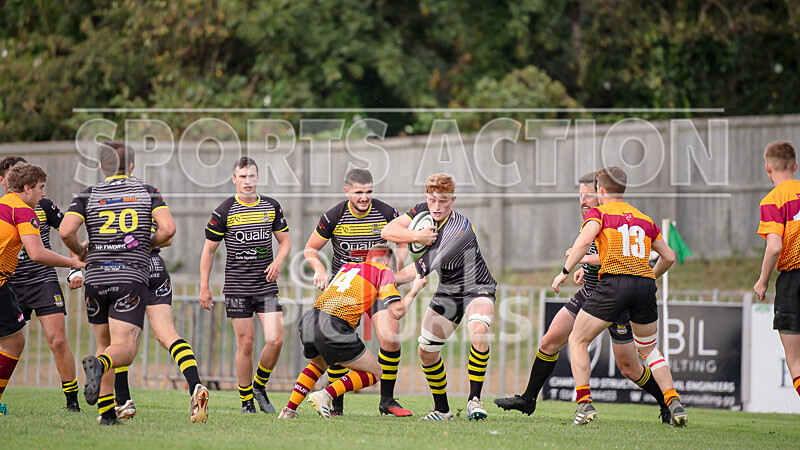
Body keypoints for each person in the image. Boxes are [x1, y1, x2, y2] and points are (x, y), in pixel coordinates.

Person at [495, 172, 671, 423]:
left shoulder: (612, 217)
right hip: (590, 293)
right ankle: (528, 400)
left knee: (629, 367)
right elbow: (596, 251)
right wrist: (584, 267)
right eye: (580, 196)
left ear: (601, 193)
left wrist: (578, 262)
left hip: (614, 296)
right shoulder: (593, 220)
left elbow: (620, 256)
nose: (583, 201)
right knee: (549, 342)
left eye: (588, 195)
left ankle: (665, 400)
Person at [59, 141, 204, 426]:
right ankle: (101, 369)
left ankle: (108, 412)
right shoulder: (146, 192)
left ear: (101, 167)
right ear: (133, 166)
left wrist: (81, 252)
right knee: (124, 347)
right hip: (130, 275)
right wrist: (141, 244)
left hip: (97, 277)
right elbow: (169, 231)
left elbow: (65, 231)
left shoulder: (87, 194)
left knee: (105, 343)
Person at [551, 166, 687, 427]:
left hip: (614, 284)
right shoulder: (643, 218)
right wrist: (649, 277)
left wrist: (564, 272)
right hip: (645, 286)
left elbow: (582, 243)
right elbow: (669, 257)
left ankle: (584, 404)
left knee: (577, 340)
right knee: (648, 350)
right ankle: (673, 401)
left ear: (600, 190)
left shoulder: (599, 213)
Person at [382, 173, 496, 421]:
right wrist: (416, 236)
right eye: (433, 200)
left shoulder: (458, 230)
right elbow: (388, 230)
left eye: (443, 201)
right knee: (426, 351)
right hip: (448, 291)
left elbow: (416, 271)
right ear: (426, 198)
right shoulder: (422, 211)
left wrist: (382, 280)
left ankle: (474, 401)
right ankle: (442, 410)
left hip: (477, 286)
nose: (437, 207)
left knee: (478, 329)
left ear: (453, 200)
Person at [70, 218, 207, 421]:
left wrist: (76, 267)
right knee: (168, 335)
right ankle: (195, 385)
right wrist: (142, 243)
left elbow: (75, 238)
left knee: (116, 341)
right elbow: (167, 238)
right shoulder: (145, 203)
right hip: (155, 267)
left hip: (125, 271)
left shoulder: (106, 204)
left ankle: (119, 401)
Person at [303, 168, 410, 417]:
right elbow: (310, 249)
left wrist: (395, 267)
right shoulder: (334, 216)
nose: (365, 197)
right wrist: (319, 268)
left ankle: (387, 400)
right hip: (346, 289)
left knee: (390, 338)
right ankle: (335, 403)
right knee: (337, 343)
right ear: (347, 191)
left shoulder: (385, 212)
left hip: (377, 284)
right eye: (359, 192)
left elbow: (402, 242)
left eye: (369, 191)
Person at [279, 244, 427, 419]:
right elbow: (397, 311)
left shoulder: (347, 267)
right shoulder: (383, 271)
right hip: (334, 324)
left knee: (318, 365)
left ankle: (288, 410)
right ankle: (325, 395)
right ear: (387, 263)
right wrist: (415, 289)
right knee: (375, 372)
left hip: (310, 319)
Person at [199, 157, 290, 414]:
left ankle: (259, 386)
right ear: (234, 180)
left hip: (265, 285)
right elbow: (208, 252)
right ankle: (246, 400)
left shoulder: (271, 206)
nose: (247, 182)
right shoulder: (223, 210)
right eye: (242, 177)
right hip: (238, 287)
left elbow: (284, 242)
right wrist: (204, 286)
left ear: (258, 178)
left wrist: (279, 262)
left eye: (251, 176)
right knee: (246, 343)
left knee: (275, 339)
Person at [0, 163, 85, 416]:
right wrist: (73, 262)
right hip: (7, 282)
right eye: (40, 187)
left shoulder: (9, 205)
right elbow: (36, 253)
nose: (44, 193)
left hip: (38, 282)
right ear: (27, 188)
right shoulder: (23, 211)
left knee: (51, 340)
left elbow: (67, 233)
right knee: (14, 341)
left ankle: (72, 402)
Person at [753, 140, 800, 402]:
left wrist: (762, 282)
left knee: (795, 360)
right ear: (795, 166)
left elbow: (774, 247)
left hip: (793, 279)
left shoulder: (772, 200)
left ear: (768, 169)